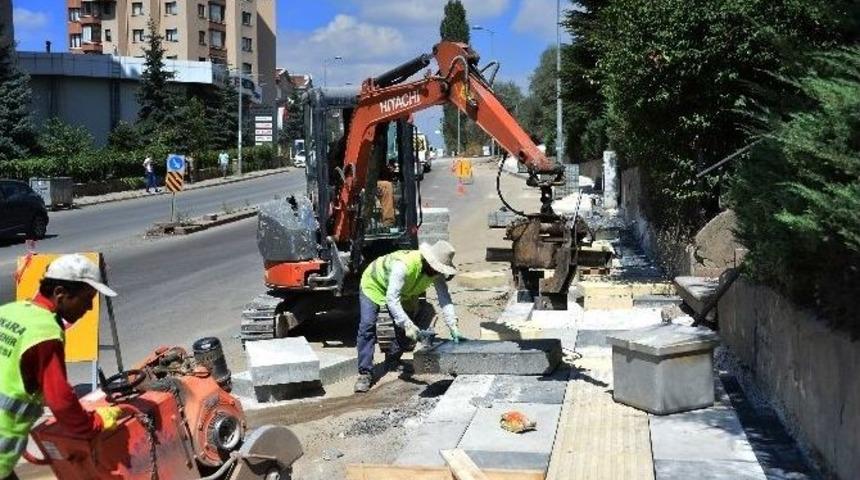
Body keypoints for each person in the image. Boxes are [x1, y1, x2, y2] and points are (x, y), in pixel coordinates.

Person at [0, 254, 123, 479]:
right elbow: (60, 400)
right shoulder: (44, 333)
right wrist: (95, 423)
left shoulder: (9, 312)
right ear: (60, 294)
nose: (88, 308)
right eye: (86, 299)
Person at [354, 241, 462, 393]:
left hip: (405, 292)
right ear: (428, 261)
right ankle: (365, 373)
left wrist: (453, 327)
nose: (437, 273)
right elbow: (392, 299)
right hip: (373, 284)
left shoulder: (435, 273)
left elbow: (444, 298)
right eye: (436, 269)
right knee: (367, 326)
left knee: (406, 330)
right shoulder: (404, 266)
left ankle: (393, 360)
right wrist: (407, 325)